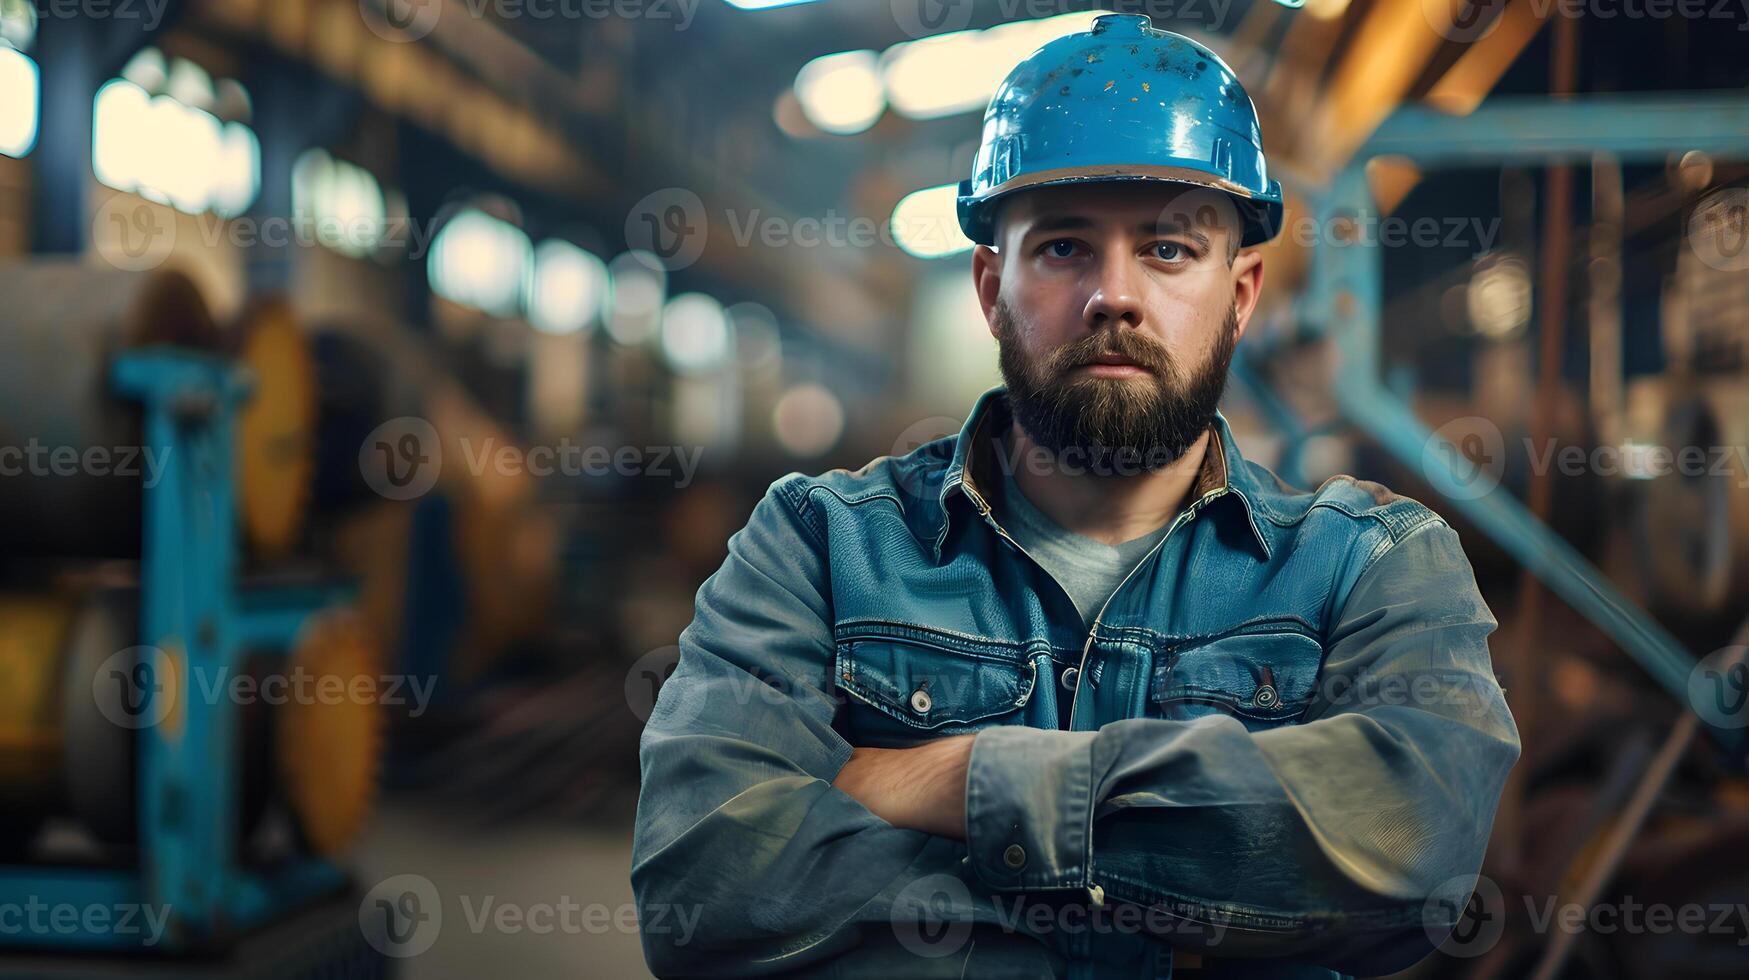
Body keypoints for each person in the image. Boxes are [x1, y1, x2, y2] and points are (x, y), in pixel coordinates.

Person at [632, 14, 1518, 979]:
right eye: (1061, 248)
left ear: (1243, 292)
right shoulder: (817, 547)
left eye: (1169, 250)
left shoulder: (1369, 564)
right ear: (988, 287)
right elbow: (703, 886)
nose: (1113, 295)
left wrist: (964, 780)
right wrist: (1208, 891)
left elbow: (1416, 854)